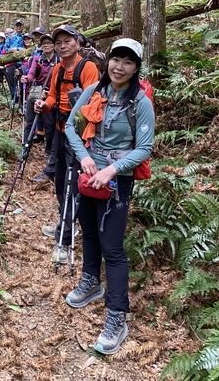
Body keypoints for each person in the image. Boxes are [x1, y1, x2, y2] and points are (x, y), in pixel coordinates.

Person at [64, 38, 155, 356]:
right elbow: (72, 129)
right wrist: (85, 158)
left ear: (136, 68)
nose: (120, 66)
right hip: (87, 176)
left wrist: (112, 169)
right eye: (116, 59)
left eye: (128, 62)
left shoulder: (140, 103)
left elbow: (144, 148)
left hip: (117, 184)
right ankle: (91, 281)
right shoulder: (93, 93)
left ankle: (117, 315)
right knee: (88, 231)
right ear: (109, 61)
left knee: (113, 248)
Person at [34, 25, 99, 263]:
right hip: (60, 131)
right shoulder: (57, 69)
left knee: (73, 184)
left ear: (78, 43)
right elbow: (52, 96)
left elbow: (94, 101)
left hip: (80, 136)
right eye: (58, 42)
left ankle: (65, 238)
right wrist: (45, 106)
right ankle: (66, 219)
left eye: (67, 41)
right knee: (60, 180)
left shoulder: (88, 67)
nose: (62, 45)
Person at [22, 33, 59, 150]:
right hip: (36, 91)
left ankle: (50, 149)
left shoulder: (59, 60)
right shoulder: (37, 59)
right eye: (44, 43)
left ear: (54, 45)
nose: (46, 45)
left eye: (49, 43)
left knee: (49, 123)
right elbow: (32, 73)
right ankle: (25, 146)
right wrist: (27, 78)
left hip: (50, 93)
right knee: (29, 120)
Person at [5, 19, 25, 100]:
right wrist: (11, 50)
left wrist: (18, 49)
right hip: (11, 61)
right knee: (11, 80)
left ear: (23, 26)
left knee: (21, 81)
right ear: (15, 27)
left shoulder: (26, 37)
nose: (19, 27)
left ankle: (22, 98)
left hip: (22, 62)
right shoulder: (11, 36)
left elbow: (29, 47)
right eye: (17, 25)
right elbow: (6, 49)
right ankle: (13, 97)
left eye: (20, 25)